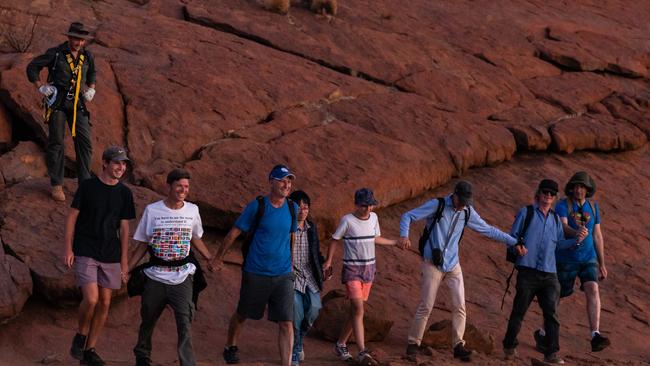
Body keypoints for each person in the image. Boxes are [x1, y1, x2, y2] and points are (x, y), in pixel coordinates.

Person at [398, 181, 520, 362]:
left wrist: (513, 242)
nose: (463, 204)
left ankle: (458, 345)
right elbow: (408, 216)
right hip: (432, 263)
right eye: (461, 200)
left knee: (460, 306)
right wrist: (404, 235)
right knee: (426, 305)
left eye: (466, 201)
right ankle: (413, 343)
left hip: (453, 264)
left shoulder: (467, 212)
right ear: (454, 195)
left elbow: (487, 230)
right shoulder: (437, 205)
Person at [210, 164, 298, 366]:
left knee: (286, 322)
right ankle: (231, 345)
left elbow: (291, 236)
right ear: (272, 182)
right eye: (283, 180)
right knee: (243, 314)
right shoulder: (258, 206)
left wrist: (291, 263)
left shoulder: (292, 208)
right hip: (256, 271)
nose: (287, 185)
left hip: (283, 273)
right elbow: (235, 232)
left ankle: (286, 363)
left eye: (289, 181)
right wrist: (218, 257)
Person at [127, 169, 213, 366]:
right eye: (179, 186)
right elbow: (142, 243)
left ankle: (187, 362)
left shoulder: (192, 210)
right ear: (169, 186)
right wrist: (128, 269)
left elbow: (195, 238)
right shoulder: (153, 210)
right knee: (148, 319)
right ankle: (142, 356)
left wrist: (209, 257)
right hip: (155, 275)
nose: (183, 190)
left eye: (186, 187)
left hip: (182, 275)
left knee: (185, 321)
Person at [63, 146, 135, 366]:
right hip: (86, 249)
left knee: (105, 302)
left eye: (123, 164)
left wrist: (124, 261)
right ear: (104, 163)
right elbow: (72, 218)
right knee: (92, 299)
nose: (121, 168)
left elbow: (124, 228)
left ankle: (90, 351)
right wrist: (68, 248)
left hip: (111, 253)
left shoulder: (124, 193)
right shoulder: (88, 187)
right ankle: (81, 334)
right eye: (116, 163)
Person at [502, 179, 587, 364]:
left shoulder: (556, 219)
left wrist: (576, 241)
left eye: (552, 194)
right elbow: (512, 237)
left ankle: (552, 353)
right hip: (528, 270)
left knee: (552, 314)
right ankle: (509, 346)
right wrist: (517, 247)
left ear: (555, 197)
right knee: (519, 310)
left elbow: (559, 245)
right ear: (539, 193)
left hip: (549, 273)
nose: (549, 196)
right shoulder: (527, 212)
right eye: (546, 192)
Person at [534, 172, 610, 353]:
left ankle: (595, 335)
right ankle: (543, 332)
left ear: (588, 189)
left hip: (588, 258)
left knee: (593, 288)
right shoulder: (563, 205)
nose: (579, 190)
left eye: (582, 187)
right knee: (557, 296)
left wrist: (602, 263)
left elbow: (597, 235)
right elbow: (563, 228)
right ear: (571, 188)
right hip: (566, 258)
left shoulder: (593, 207)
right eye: (576, 186)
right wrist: (576, 233)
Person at [322, 188, 397, 366]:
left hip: (369, 269)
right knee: (358, 309)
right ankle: (362, 351)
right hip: (352, 270)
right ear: (356, 204)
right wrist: (329, 261)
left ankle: (340, 344)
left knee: (355, 311)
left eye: (371, 205)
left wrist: (394, 242)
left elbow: (375, 238)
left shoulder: (374, 218)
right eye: (365, 205)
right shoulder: (347, 221)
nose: (368, 208)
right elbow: (334, 240)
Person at [26, 22, 97, 202]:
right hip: (57, 102)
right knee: (57, 142)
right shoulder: (56, 53)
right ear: (69, 37)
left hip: (77, 104)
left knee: (85, 142)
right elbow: (32, 67)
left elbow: (92, 74)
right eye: (76, 38)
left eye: (82, 39)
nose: (79, 42)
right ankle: (57, 184)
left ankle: (85, 185)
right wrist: (40, 86)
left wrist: (91, 88)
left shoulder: (87, 56)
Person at [288, 190, 326, 366]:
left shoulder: (312, 228)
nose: (303, 211)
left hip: (309, 274)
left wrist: (323, 264)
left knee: (314, 308)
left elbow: (315, 252)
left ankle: (300, 339)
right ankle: (295, 351)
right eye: (299, 208)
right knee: (296, 313)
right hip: (291, 275)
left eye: (306, 208)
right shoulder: (287, 227)